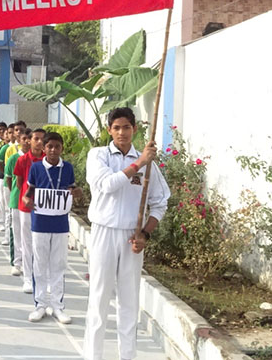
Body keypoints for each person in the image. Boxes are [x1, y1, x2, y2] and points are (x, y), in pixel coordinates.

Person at [83, 107, 169, 360]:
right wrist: (139, 163)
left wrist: (145, 234)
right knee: (99, 298)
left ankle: (127, 356)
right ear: (109, 130)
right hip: (104, 232)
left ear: (135, 129)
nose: (122, 132)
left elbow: (160, 202)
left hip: (132, 238)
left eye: (127, 127)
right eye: (117, 128)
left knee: (129, 302)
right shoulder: (98, 156)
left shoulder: (149, 164)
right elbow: (107, 185)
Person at [22, 131, 82, 324]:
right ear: (43, 147)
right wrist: (26, 200)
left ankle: (57, 306)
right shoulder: (36, 167)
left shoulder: (68, 168)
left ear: (62, 148)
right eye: (49, 146)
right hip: (40, 222)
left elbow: (72, 190)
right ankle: (40, 305)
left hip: (60, 223)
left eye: (57, 146)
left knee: (58, 264)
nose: (53, 150)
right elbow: (29, 192)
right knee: (39, 265)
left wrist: (77, 192)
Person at [13, 128, 46, 293]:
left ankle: (42, 278)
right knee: (27, 243)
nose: (39, 142)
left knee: (42, 244)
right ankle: (27, 278)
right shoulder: (22, 160)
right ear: (29, 140)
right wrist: (27, 197)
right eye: (36, 139)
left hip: (45, 207)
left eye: (42, 139)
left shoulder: (49, 159)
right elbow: (20, 182)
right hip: (26, 206)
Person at [5, 130, 30, 275]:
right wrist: (17, 193)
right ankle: (17, 262)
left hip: (32, 203)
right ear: (19, 140)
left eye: (29, 139)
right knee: (17, 233)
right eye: (24, 138)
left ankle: (29, 262)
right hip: (16, 201)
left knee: (30, 234)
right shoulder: (14, 158)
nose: (27, 141)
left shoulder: (37, 159)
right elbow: (9, 179)